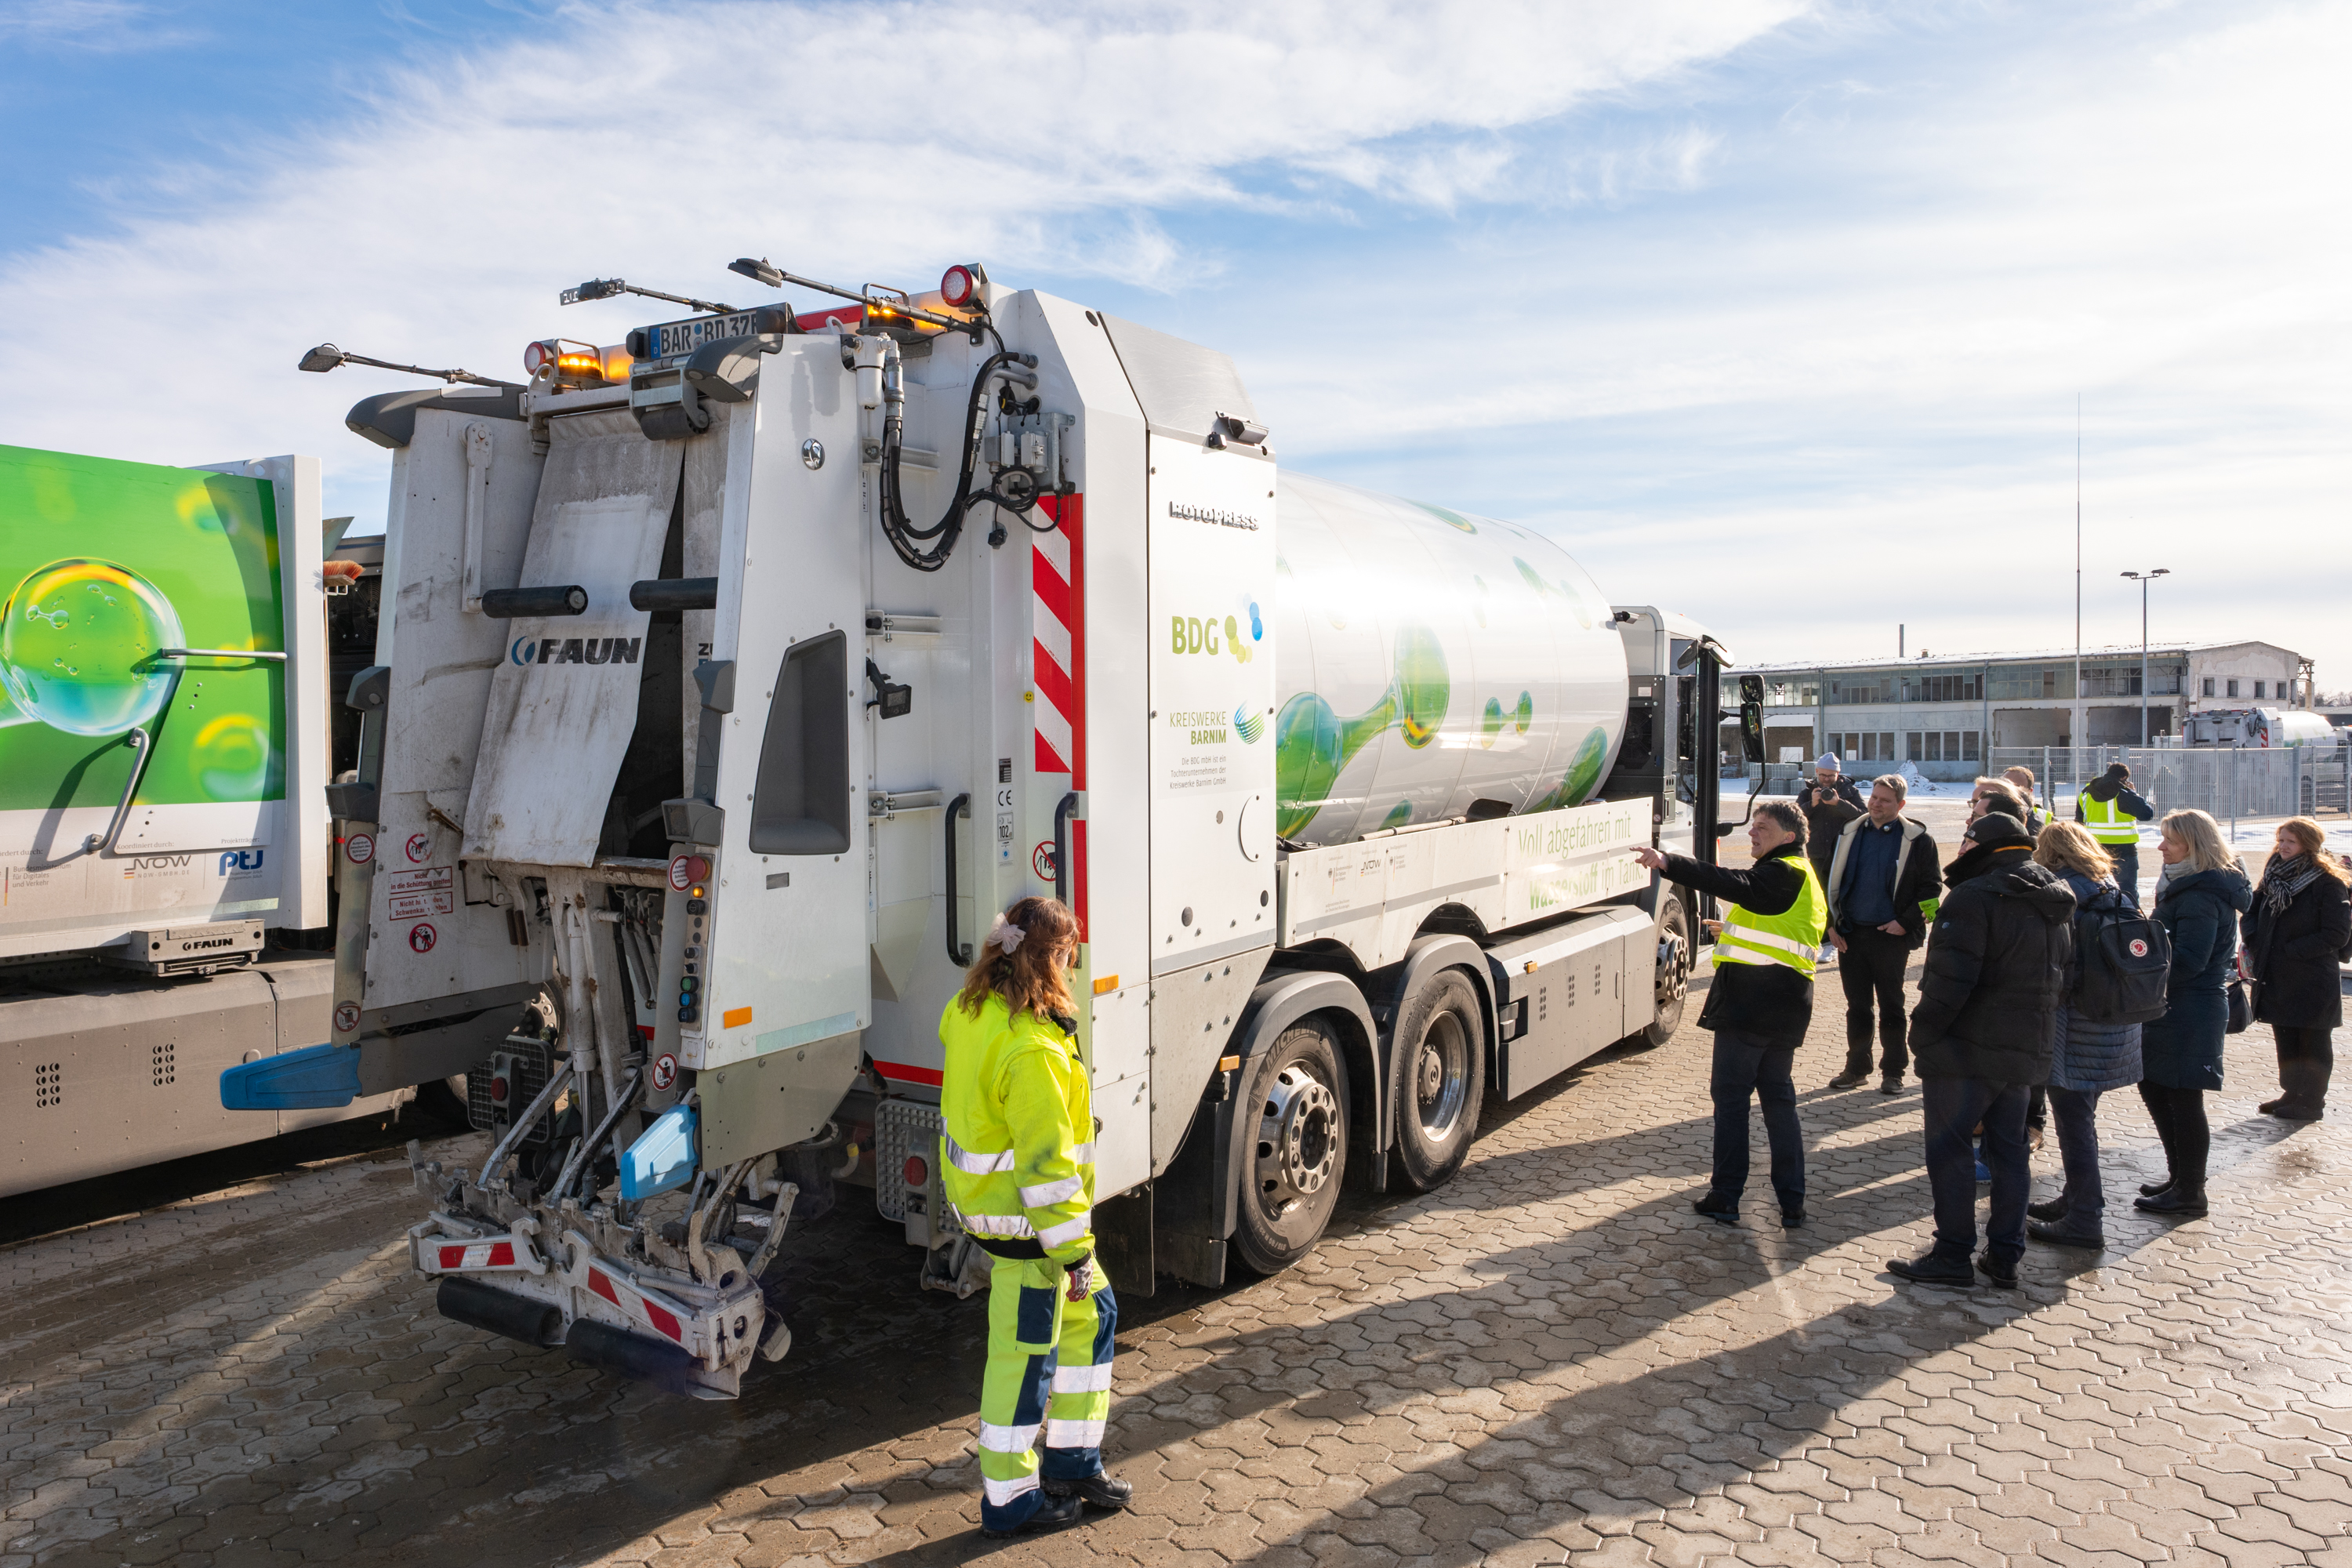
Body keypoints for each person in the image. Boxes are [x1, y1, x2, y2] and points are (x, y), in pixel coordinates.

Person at [938, 896, 1129, 1537]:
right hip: (1030, 1234)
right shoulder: (1032, 1053)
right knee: (1022, 1365)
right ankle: (1010, 1500)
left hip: (1007, 1218)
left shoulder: (972, 1009)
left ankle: (1073, 1462)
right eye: (1070, 954)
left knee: (1094, 1316)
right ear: (1055, 958)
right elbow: (1047, 1172)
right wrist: (1073, 1255)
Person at [1887, 809, 2075, 1288]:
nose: (1960, 850)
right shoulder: (2052, 897)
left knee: (1949, 1149)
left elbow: (1950, 981)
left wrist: (1922, 1033)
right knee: (2010, 1151)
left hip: (1966, 1052)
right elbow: (2063, 974)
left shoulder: (1973, 896)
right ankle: (2006, 1255)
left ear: (1982, 847)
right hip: (2024, 1048)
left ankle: (1952, 1254)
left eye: (1967, 842)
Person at [1632, 800, 1824, 1229]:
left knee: (1732, 1100)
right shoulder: (1803, 875)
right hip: (1788, 1004)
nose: (1752, 833)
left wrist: (1668, 862)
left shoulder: (1783, 871)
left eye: (1763, 827)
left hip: (1754, 1003)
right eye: (1752, 825)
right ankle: (1792, 1201)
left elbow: (1731, 882)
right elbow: (1780, 929)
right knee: (1778, 1100)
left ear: (1789, 837)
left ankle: (1726, 1195)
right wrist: (1731, 932)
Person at [2024, 822, 2144, 1248]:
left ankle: (2085, 1219)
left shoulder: (2065, 896)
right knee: (2082, 1119)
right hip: (2112, 1024)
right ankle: (2074, 1199)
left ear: (2051, 853)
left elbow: (2057, 966)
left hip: (2075, 1029)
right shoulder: (2111, 889)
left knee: (2074, 1125)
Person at [2134, 810, 2252, 1220]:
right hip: (2174, 1007)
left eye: (2170, 841)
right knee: (2156, 1087)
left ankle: (2190, 1190)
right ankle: (2179, 1178)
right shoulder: (2188, 885)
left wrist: (2140, 972)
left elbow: (2189, 961)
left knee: (2183, 1098)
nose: (2161, 847)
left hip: (2190, 1009)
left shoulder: (2200, 894)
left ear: (2195, 846)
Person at [1821, 774, 1940, 1094]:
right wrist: (1830, 925)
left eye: (1885, 801)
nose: (1876, 804)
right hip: (1850, 935)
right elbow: (1824, 880)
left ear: (1901, 805)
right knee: (1857, 1007)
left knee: (1892, 1006)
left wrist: (1907, 922)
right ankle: (1856, 1068)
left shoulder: (1918, 840)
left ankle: (1894, 1072)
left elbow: (1933, 892)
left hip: (1892, 937)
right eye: (1874, 797)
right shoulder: (1848, 833)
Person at [2241, 817, 2351, 1121]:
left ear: (2308, 844)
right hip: (2277, 974)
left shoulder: (2328, 882)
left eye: (2291, 841)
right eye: (2281, 840)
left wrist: (2291, 951)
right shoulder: (2273, 875)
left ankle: (2311, 1102)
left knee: (2312, 1041)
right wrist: (2256, 941)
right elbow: (2251, 913)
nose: (2283, 846)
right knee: (2286, 1035)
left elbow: (2337, 934)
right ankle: (2292, 1093)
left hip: (2312, 977)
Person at [1795, 755, 1865, 957]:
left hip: (1845, 855)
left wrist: (1839, 803)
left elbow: (1864, 816)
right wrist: (1812, 804)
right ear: (1816, 772)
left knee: (1843, 898)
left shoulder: (1850, 792)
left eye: (1831, 776)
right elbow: (1793, 818)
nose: (1826, 780)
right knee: (1819, 899)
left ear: (1838, 774)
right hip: (1817, 855)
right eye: (1823, 775)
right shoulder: (1807, 793)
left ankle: (1842, 940)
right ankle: (1826, 941)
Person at [2077, 763, 2155, 906]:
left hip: (2095, 849)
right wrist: (2134, 793)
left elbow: (2079, 821)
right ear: (2124, 777)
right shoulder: (2124, 792)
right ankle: (2130, 917)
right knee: (2127, 891)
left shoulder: (2087, 792)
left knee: (2098, 890)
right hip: (2124, 850)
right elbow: (2146, 814)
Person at [2004, 765, 2051, 834]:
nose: (2009, 791)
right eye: (2004, 786)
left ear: (2030, 791)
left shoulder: (2045, 818)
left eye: (2017, 787)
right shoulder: (1988, 811)